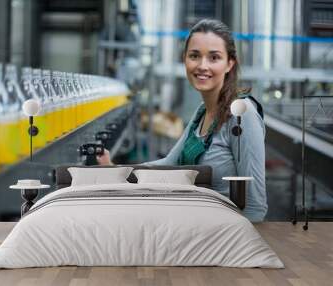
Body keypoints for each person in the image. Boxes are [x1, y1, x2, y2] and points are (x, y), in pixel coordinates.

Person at [96, 18, 267, 222]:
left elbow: (255, 207)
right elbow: (170, 163)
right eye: (194, 56)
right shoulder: (201, 113)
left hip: (223, 237)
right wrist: (116, 171)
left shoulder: (242, 114)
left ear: (230, 63)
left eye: (214, 57)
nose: (202, 66)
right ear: (184, 59)